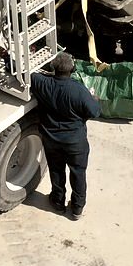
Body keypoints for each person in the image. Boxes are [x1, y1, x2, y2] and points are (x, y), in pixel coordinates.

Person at [31, 51, 101, 219]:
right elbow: (95, 112)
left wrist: (6, 56)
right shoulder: (79, 90)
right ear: (73, 69)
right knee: (78, 173)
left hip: (51, 140)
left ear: (53, 67)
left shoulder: (42, 83)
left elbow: (25, 71)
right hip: (75, 143)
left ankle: (57, 201)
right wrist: (94, 99)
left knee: (56, 170)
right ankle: (77, 208)